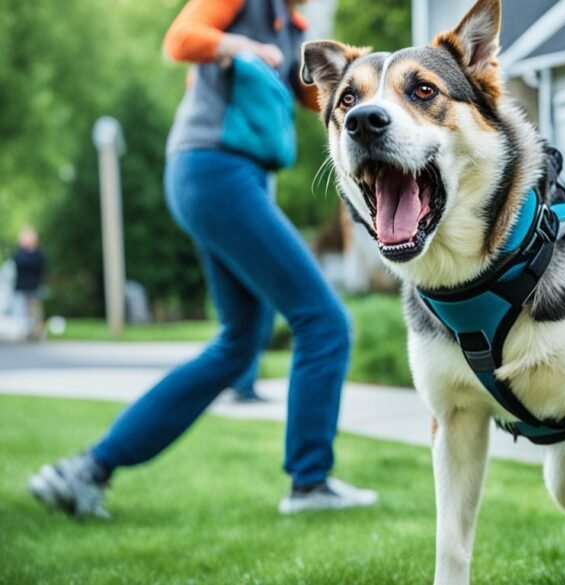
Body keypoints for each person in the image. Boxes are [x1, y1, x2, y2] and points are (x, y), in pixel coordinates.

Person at [28, 0, 376, 518]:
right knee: (324, 321)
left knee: (240, 344)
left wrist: (368, 75)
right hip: (215, 170)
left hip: (230, 178)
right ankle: (310, 483)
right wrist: (237, 46)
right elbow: (181, 38)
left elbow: (318, 95)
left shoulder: (293, 26)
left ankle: (86, 471)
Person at [12, 227, 46, 341]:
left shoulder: (37, 253)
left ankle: (37, 332)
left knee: (35, 310)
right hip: (23, 285)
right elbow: (19, 263)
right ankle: (29, 331)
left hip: (34, 285)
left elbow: (36, 266)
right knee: (25, 310)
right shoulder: (19, 253)